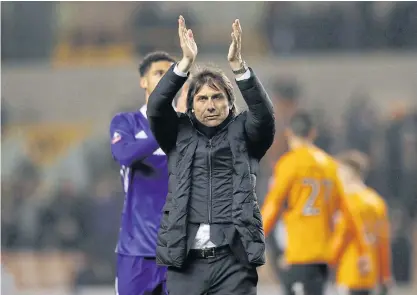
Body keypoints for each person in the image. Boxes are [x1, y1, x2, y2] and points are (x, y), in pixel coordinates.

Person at [146, 16, 275, 295]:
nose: (211, 105)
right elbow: (156, 107)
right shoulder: (177, 133)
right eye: (202, 99)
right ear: (191, 106)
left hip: (234, 262)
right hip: (186, 263)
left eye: (217, 97)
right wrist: (184, 64)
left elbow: (264, 118)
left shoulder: (245, 132)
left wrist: (240, 68)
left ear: (230, 102)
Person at [261, 111, 369, 295]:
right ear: (313, 133)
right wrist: (362, 249)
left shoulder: (289, 163)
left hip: (298, 253)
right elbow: (348, 211)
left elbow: (273, 205)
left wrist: (253, 239)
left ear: (288, 133)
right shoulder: (330, 165)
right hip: (322, 256)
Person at [109, 51, 178, 295]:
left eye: (171, 75)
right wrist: (163, 127)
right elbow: (124, 155)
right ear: (143, 81)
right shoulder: (126, 122)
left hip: (178, 251)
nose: (165, 79)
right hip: (136, 250)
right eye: (159, 73)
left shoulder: (187, 126)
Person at [332, 150, 392, 295]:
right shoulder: (377, 201)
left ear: (349, 172)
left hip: (350, 271)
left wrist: (328, 261)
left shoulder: (348, 201)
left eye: (339, 171)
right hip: (371, 274)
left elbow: (342, 235)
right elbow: (383, 242)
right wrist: (385, 275)